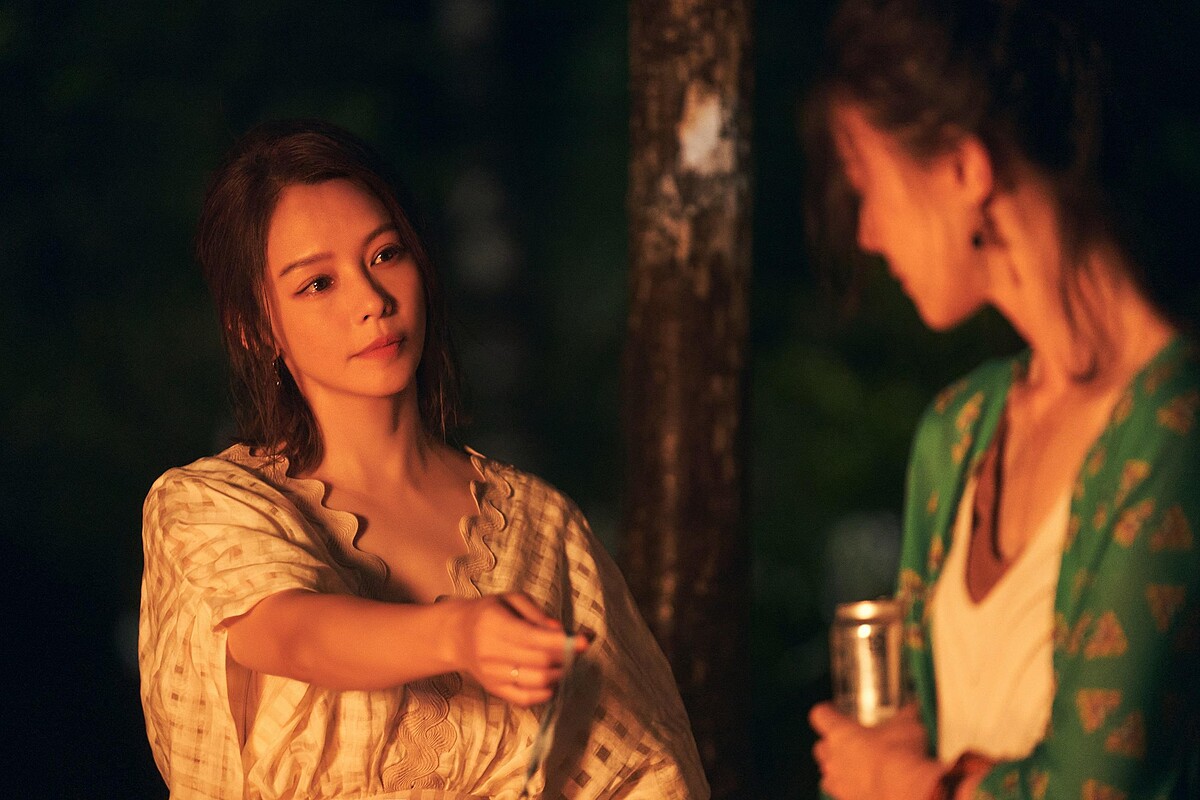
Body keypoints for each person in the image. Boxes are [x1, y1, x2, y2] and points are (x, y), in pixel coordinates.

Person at [139, 119, 708, 800]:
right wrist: (459, 634)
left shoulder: (541, 526)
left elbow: (646, 770)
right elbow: (290, 635)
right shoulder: (210, 505)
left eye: (385, 255)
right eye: (318, 283)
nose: (373, 302)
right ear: (256, 328)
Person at [803, 1, 1200, 798]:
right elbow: (919, 730)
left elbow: (1094, 783)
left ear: (964, 169)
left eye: (869, 186)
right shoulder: (959, 431)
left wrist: (914, 786)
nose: (869, 234)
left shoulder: (1173, 420)